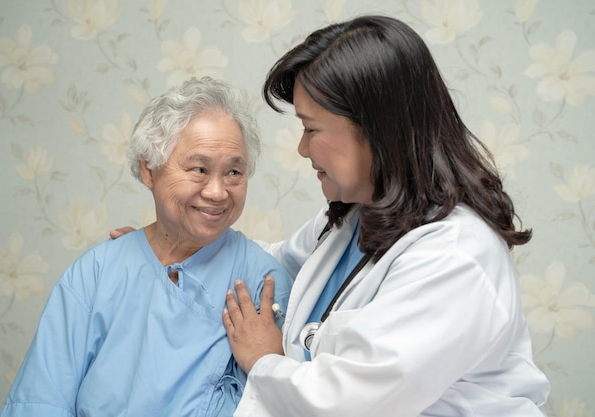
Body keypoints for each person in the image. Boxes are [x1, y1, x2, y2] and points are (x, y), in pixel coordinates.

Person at [219, 15, 550, 417]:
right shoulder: (356, 218)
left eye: (311, 129)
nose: (303, 150)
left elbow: (353, 401)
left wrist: (263, 359)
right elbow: (272, 262)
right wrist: (170, 246)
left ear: (376, 130)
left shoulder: (457, 255)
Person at [0, 77, 294, 417]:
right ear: (149, 170)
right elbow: (40, 401)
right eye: (199, 169)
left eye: (234, 172)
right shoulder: (97, 272)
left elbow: (275, 402)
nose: (217, 191)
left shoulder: (262, 283)